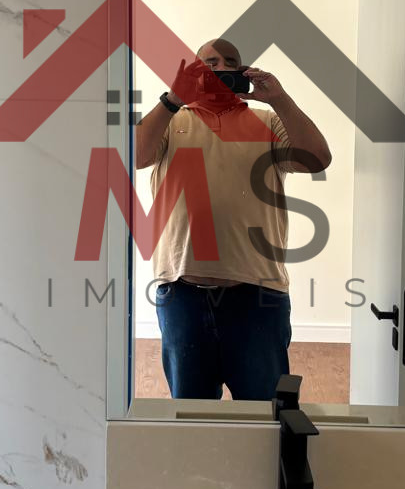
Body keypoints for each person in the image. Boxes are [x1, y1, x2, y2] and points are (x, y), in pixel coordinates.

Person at [134, 38, 332, 400]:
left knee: (264, 415)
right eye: (209, 63)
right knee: (192, 415)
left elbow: (318, 158)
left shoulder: (268, 121)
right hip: (183, 296)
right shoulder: (172, 121)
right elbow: (134, 154)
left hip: (257, 296)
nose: (220, 68)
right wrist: (172, 99)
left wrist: (280, 99)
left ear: (243, 73)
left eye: (230, 61)